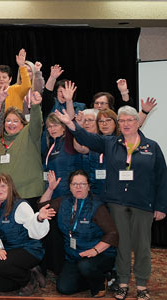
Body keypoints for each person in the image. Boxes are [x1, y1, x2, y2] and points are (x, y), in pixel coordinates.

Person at [54, 106, 167, 300]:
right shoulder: (110, 143)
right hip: (117, 202)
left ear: (137, 122)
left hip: (142, 203)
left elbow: (162, 178)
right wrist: (70, 124)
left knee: (142, 246)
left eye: (129, 120)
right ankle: (122, 283)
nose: (125, 124)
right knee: (121, 245)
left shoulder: (152, 147)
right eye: (122, 121)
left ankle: (141, 285)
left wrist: (161, 206)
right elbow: (86, 139)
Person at [40, 170, 118, 298]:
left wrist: (95, 250)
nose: (78, 187)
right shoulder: (64, 201)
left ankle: (99, 282)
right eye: (74, 184)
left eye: (82, 184)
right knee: (63, 288)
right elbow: (43, 206)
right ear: (69, 187)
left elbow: (112, 234)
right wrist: (50, 189)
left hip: (100, 254)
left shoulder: (97, 206)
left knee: (86, 266)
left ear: (88, 186)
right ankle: (93, 279)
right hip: (74, 255)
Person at [0, 173, 53, 296]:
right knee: (0, 286)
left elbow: (34, 228)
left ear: (10, 187)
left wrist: (39, 218)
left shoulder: (20, 205)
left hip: (29, 249)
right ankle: (30, 271)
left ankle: (28, 281)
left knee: (1, 265)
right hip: (10, 251)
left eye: (3, 186)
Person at [0, 90, 44, 207]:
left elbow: (36, 123)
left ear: (23, 123)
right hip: (5, 195)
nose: (11, 124)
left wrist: (36, 106)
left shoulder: (29, 134)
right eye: (8, 121)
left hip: (28, 194)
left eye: (16, 121)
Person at [43, 113, 81, 199]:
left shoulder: (69, 143)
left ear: (63, 127)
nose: (52, 129)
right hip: (52, 191)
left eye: (55, 125)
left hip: (68, 193)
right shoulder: (50, 146)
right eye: (49, 126)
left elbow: (72, 122)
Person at [0, 49, 31, 117]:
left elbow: (27, 86)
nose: (1, 79)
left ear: (10, 79)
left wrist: (22, 66)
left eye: (4, 77)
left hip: (12, 126)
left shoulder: (16, 89)